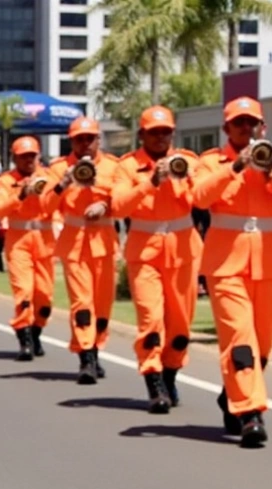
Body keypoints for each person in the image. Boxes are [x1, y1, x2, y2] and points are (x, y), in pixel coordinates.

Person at [111, 106, 202, 413]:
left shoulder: (189, 160)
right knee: (150, 319)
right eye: (154, 132)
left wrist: (187, 178)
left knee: (180, 326)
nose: (161, 137)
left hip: (183, 249)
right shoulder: (127, 166)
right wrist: (151, 180)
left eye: (166, 132)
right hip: (145, 250)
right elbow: (119, 206)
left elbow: (202, 199)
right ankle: (154, 383)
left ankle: (170, 373)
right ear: (142, 135)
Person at [193, 96, 272, 446]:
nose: (246, 128)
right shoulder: (212, 161)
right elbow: (199, 197)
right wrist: (235, 167)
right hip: (226, 265)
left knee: (263, 345)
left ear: (261, 127)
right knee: (240, 339)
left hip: (267, 264)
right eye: (239, 123)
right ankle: (252, 414)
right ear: (226, 129)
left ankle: (232, 396)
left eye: (251, 122)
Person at [47, 117, 124, 383]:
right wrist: (64, 183)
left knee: (103, 305)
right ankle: (86, 357)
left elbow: (125, 198)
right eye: (79, 138)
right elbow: (45, 206)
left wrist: (106, 206)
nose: (85, 143)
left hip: (104, 241)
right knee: (82, 303)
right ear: (71, 141)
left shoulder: (114, 167)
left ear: (98, 139)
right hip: (74, 243)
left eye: (90, 138)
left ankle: (96, 347)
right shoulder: (59, 168)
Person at [0, 136, 56, 361]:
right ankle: (24, 340)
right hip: (19, 241)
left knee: (44, 297)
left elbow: (58, 202)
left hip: (44, 241)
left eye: (31, 155)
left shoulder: (49, 177)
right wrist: (20, 194)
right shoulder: (5, 181)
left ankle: (36, 331)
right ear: (14, 158)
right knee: (24, 292)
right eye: (23, 156)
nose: (28, 160)